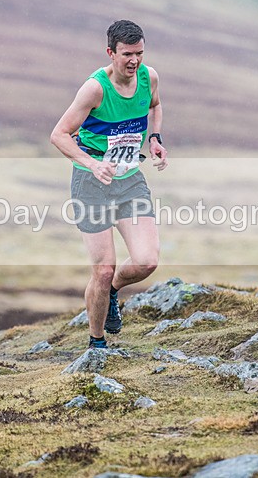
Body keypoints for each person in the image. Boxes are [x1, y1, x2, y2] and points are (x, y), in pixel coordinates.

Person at [50, 19, 168, 349]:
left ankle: (114, 289)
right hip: (91, 184)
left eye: (140, 54)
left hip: (130, 180)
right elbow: (58, 134)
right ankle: (97, 344)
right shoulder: (95, 89)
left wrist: (155, 138)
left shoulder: (149, 77)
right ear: (111, 53)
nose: (134, 61)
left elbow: (155, 106)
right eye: (128, 54)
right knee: (102, 271)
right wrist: (91, 163)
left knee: (147, 261)